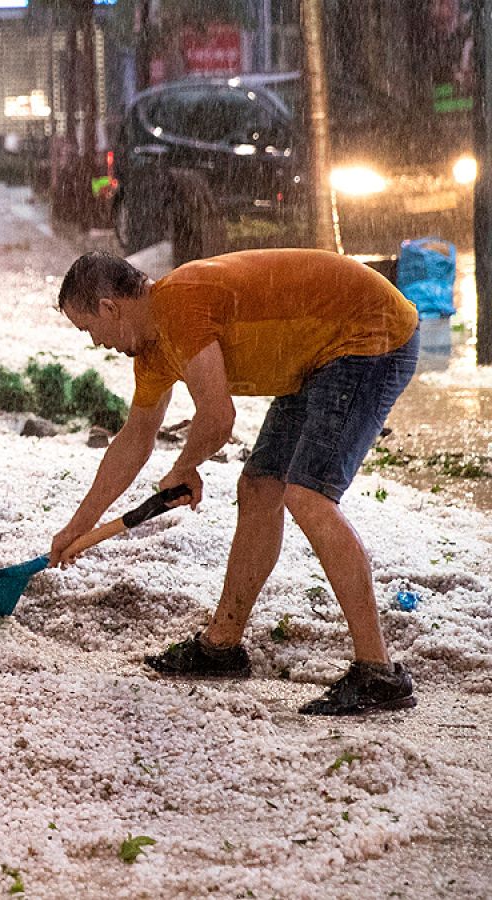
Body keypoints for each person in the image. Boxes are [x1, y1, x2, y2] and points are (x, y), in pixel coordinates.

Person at [50, 249, 419, 716]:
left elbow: (218, 417)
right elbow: (134, 441)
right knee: (260, 486)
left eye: (88, 330)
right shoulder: (154, 350)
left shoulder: (179, 304)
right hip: (314, 356)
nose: (96, 343)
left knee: (307, 494)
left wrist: (184, 467)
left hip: (368, 333)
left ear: (109, 307)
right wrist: (78, 529)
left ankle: (378, 672)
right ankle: (221, 646)